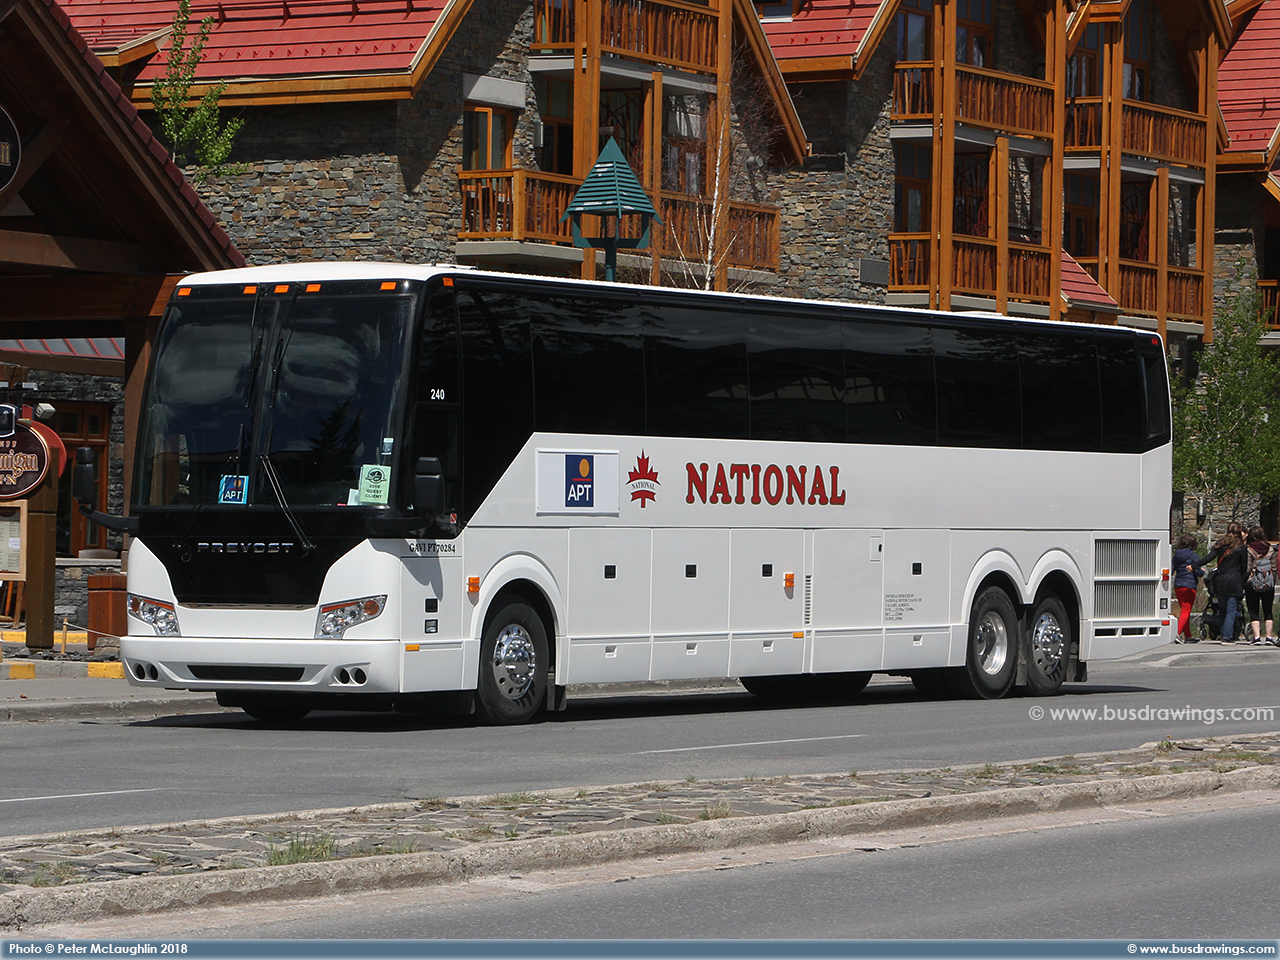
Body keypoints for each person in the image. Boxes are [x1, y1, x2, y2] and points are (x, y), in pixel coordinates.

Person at [1194, 529, 1247, 643]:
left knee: (1222, 609)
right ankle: (1227, 636)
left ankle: (1223, 633)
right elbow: (1244, 567)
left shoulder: (1221, 545)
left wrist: (1195, 565)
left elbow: (1209, 557)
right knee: (1231, 610)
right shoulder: (1241, 548)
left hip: (1220, 580)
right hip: (1234, 580)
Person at [1244, 525, 1278, 646]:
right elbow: (1274, 567)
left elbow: (1247, 568)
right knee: (1268, 610)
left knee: (1254, 610)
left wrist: (1245, 580)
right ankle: (1269, 637)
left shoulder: (1249, 550)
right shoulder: (1270, 549)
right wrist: (1272, 581)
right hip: (1268, 583)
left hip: (1253, 583)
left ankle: (1257, 637)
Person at [1172, 533, 1203, 643]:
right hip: (1189, 585)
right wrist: (1202, 571)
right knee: (1186, 610)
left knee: (1184, 610)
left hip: (1178, 585)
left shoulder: (1176, 555)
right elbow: (1198, 572)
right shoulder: (1193, 556)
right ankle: (1177, 633)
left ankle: (1188, 635)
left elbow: (1172, 569)